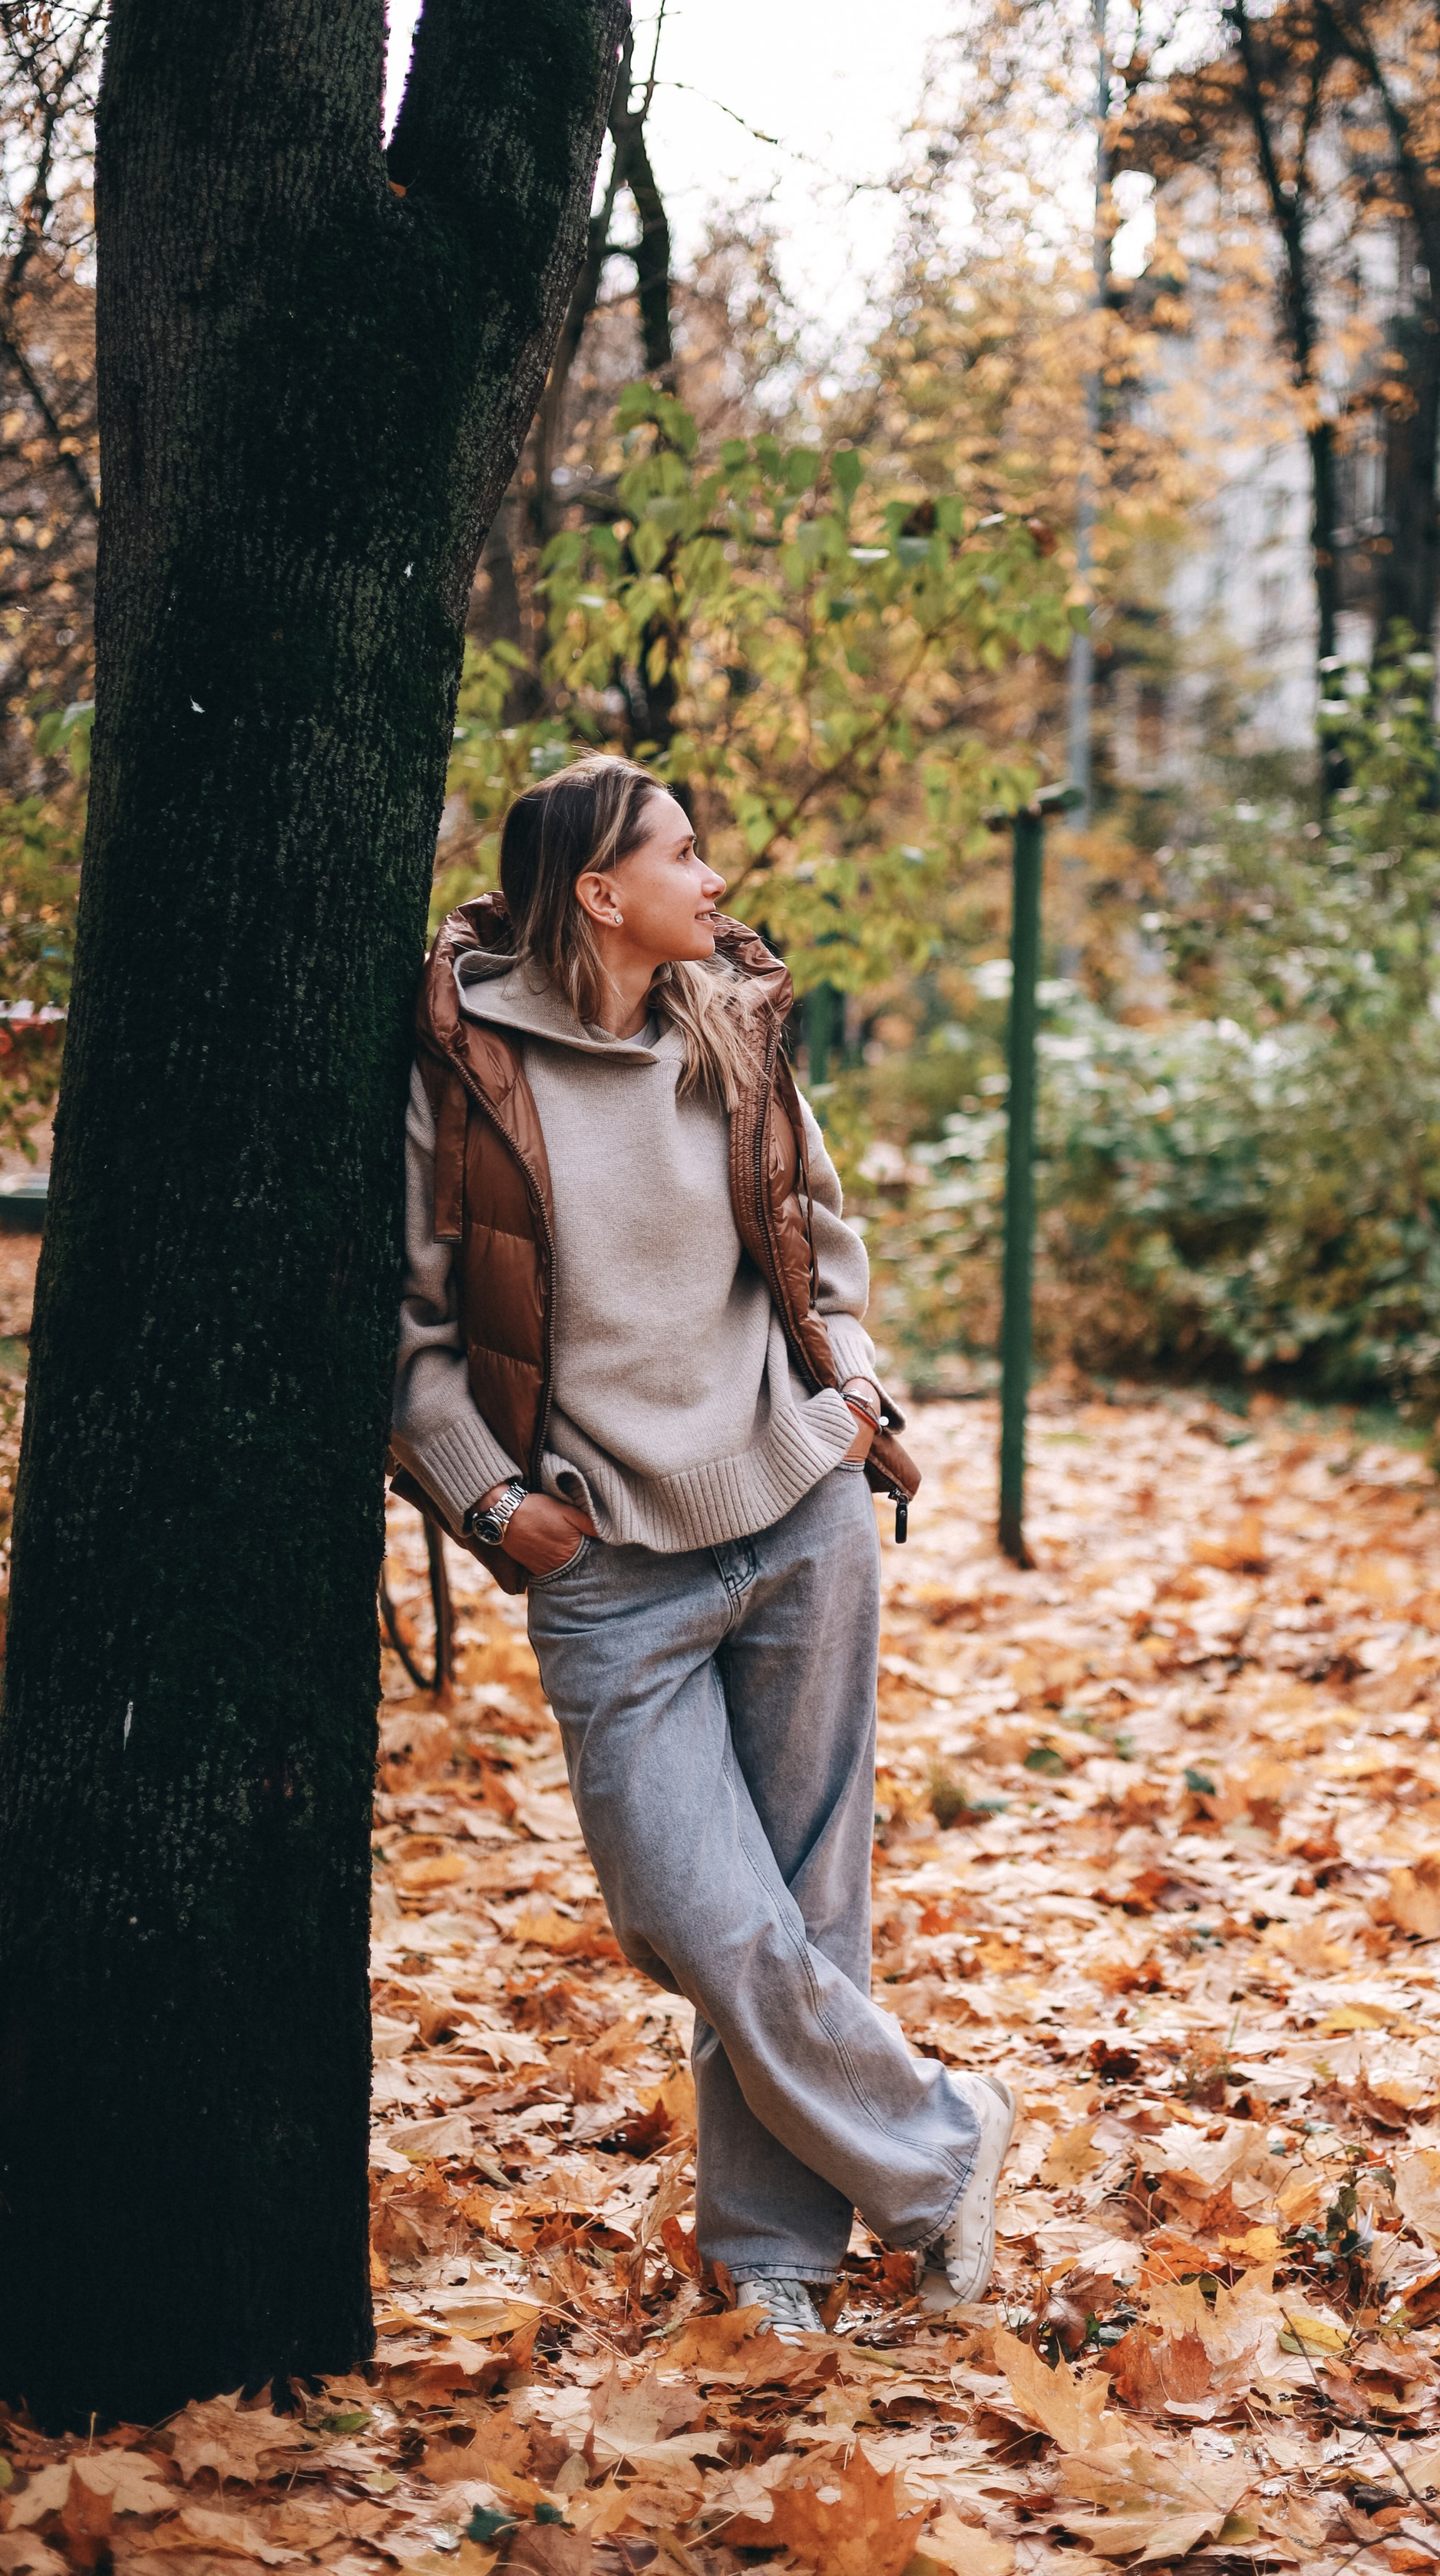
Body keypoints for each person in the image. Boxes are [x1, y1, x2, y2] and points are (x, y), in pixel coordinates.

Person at [390, 754, 1015, 2332]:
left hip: (795, 1508)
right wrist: (486, 1499)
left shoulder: (728, 1029)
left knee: (802, 1911)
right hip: (602, 1560)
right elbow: (401, 1338)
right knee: (699, 1915)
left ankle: (772, 2260)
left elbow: (824, 1244)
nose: (713, 879)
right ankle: (939, 2149)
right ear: (599, 892)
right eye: (683, 855)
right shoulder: (463, 1069)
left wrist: (858, 1394)